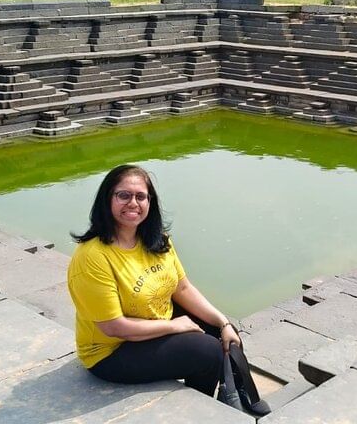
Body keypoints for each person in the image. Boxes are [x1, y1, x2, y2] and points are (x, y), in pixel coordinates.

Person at [67, 164, 241, 396]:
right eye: (123, 195)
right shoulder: (92, 256)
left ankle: (238, 391)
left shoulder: (157, 240)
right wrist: (174, 326)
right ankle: (198, 404)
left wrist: (223, 322)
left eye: (141, 197)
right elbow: (113, 327)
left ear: (150, 202)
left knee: (225, 334)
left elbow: (183, 288)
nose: (133, 203)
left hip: (151, 322)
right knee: (207, 351)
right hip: (111, 351)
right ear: (107, 200)